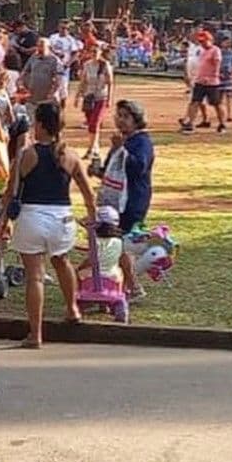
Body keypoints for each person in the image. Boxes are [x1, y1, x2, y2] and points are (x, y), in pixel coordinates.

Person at [0, 101, 97, 347]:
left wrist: (3, 221)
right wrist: (92, 216)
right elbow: (88, 192)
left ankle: (35, 333)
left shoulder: (26, 155)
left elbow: (10, 192)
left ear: (39, 125)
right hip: (62, 218)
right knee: (62, 262)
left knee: (35, 277)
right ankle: (72, 308)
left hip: (32, 216)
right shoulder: (70, 155)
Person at [111, 99, 154, 298]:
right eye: (118, 115)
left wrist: (122, 150)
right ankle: (128, 284)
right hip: (117, 199)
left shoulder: (141, 141)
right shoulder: (124, 141)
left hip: (133, 200)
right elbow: (113, 169)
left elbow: (139, 167)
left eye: (125, 117)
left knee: (119, 242)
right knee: (117, 242)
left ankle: (133, 285)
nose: (120, 120)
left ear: (137, 120)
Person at [180, 29, 225, 134]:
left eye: (204, 41)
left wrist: (213, 76)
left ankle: (222, 124)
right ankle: (190, 124)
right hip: (200, 80)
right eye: (201, 41)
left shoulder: (215, 50)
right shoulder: (201, 50)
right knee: (195, 102)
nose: (202, 43)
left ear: (210, 40)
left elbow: (217, 65)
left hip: (212, 82)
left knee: (216, 104)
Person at [79, 43, 113, 161]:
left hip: (100, 97)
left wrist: (109, 98)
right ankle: (95, 148)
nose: (94, 54)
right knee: (91, 124)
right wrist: (78, 95)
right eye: (92, 52)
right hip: (89, 97)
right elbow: (83, 81)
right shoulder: (87, 65)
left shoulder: (105, 65)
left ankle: (90, 149)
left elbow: (110, 83)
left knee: (95, 123)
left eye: (96, 52)